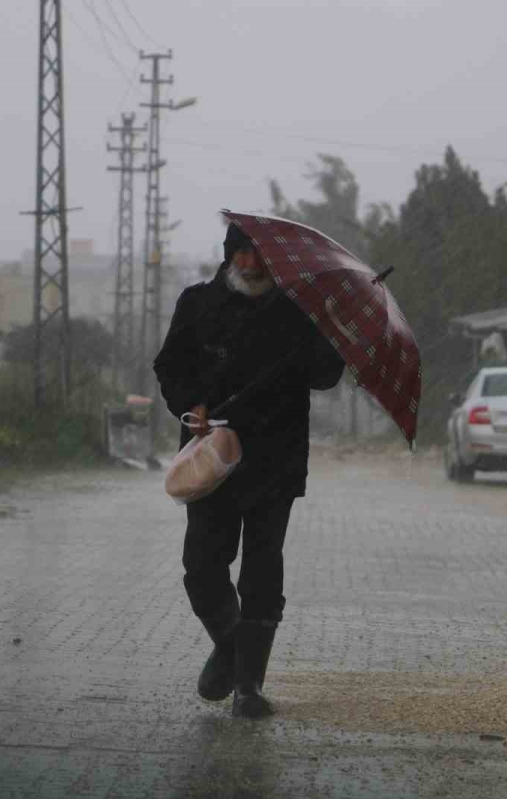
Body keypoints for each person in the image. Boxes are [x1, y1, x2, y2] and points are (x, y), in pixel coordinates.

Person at [153, 222, 345, 718]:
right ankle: (233, 647)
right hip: (211, 456)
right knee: (202, 567)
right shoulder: (196, 303)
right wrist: (189, 403)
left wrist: (327, 324)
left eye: (260, 256)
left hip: (274, 460)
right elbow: (168, 366)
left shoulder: (297, 311)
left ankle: (249, 688)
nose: (252, 264)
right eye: (242, 254)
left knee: (262, 571)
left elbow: (325, 376)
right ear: (229, 255)